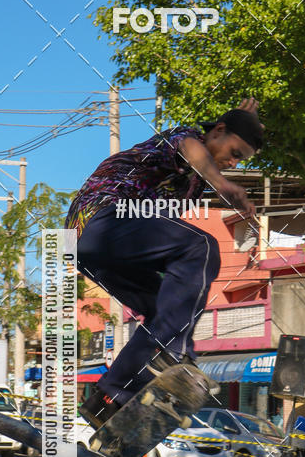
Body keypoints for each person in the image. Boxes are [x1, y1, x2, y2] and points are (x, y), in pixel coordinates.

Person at [67, 98, 263, 429]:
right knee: (201, 246)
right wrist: (224, 185)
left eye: (240, 160)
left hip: (99, 250)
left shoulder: (193, 186)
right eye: (234, 152)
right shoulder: (184, 137)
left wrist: (246, 121)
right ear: (217, 131)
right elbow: (192, 150)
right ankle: (173, 356)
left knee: (167, 309)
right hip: (101, 219)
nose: (233, 162)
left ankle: (111, 396)